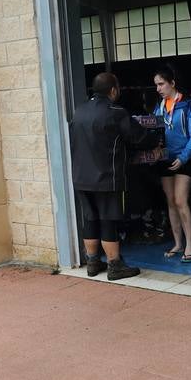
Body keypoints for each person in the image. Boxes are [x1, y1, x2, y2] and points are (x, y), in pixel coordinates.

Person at [69, 72, 142, 281]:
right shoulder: (116, 112)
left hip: (81, 177)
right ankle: (114, 265)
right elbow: (136, 137)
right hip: (107, 177)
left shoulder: (79, 111)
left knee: (90, 218)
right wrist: (155, 141)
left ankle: (92, 262)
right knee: (109, 219)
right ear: (113, 90)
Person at [152, 64, 191, 262]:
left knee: (181, 200)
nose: (158, 89)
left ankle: (190, 244)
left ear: (172, 83)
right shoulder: (159, 107)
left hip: (185, 159)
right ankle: (177, 243)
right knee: (171, 202)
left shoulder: (189, 105)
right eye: (156, 85)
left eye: (161, 84)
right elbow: (155, 133)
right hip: (165, 159)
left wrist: (183, 158)